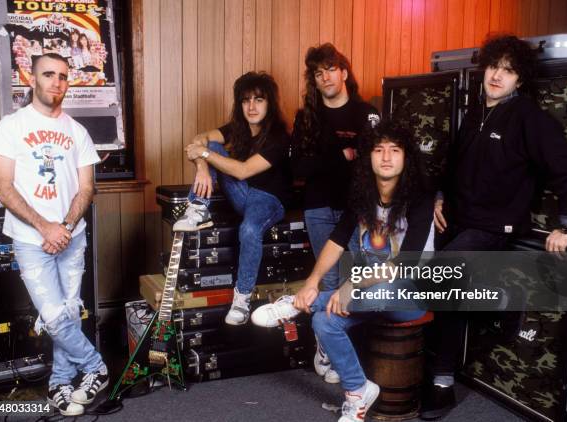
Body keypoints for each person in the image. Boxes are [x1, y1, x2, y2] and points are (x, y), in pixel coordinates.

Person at [423, 35, 567, 420]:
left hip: (496, 226)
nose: (498, 75)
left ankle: (446, 378)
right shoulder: (475, 112)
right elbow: (453, 164)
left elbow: (565, 166)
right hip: (458, 220)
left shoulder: (527, 117)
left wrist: (566, 224)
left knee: (437, 278)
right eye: (494, 66)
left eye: (508, 71)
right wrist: (440, 196)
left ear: (519, 79)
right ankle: (442, 379)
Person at [252, 122, 435, 422]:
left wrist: (351, 285)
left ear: (406, 158)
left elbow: (405, 264)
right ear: (369, 158)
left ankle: (297, 307)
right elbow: (337, 240)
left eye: (395, 150)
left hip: (409, 295)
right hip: (367, 294)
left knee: (385, 289)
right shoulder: (363, 195)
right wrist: (311, 282)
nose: (386, 157)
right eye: (379, 150)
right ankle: (358, 391)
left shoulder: (421, 199)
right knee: (324, 323)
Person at [0, 53, 108, 416]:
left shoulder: (77, 131)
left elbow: (86, 189)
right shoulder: (10, 126)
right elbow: (2, 186)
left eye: (64, 76)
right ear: (31, 78)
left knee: (68, 312)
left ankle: (59, 384)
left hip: (72, 236)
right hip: (30, 238)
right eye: (49, 74)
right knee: (52, 316)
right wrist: (45, 227)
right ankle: (96, 367)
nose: (57, 82)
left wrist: (65, 227)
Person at [291, 43, 380, 384]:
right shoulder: (307, 117)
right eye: (318, 73)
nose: (325, 76)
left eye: (330, 69)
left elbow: (376, 163)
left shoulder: (366, 113)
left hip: (357, 207)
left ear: (344, 72)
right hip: (317, 205)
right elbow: (299, 166)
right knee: (327, 277)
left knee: (356, 276)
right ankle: (326, 346)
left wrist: (327, 160)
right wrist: (341, 157)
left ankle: (349, 347)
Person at [179, 71, 290, 326]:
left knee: (249, 229)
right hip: (243, 193)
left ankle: (242, 299)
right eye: (245, 100)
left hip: (269, 200)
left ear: (269, 103)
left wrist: (204, 154)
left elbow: (242, 170)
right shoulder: (236, 129)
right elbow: (199, 139)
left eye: (258, 100)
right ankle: (198, 207)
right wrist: (202, 167)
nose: (251, 106)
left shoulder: (279, 137)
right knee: (213, 148)